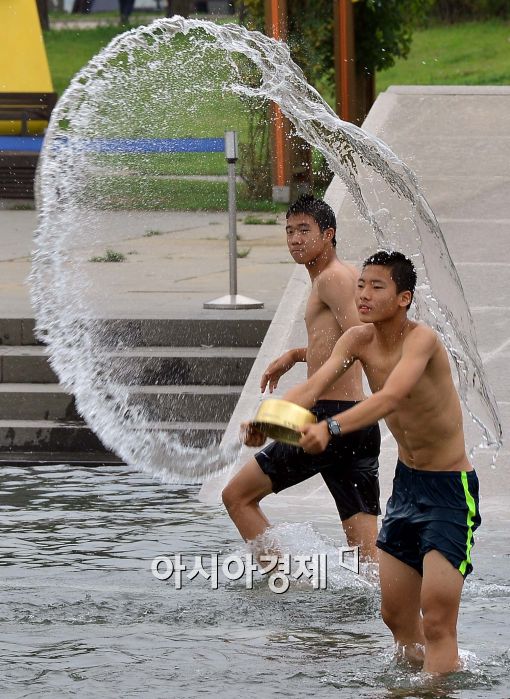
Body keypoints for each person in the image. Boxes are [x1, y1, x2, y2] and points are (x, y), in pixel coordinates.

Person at [270, 250, 480, 674]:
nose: (363, 294)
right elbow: (313, 387)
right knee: (396, 616)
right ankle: (422, 682)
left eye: (377, 287)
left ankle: (439, 683)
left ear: (404, 298)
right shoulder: (357, 340)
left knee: (437, 620)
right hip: (406, 487)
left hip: (449, 490)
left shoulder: (421, 340)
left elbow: (390, 398)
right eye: (361, 285)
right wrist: (269, 420)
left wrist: (330, 428)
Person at [222, 194, 381, 561]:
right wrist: (295, 355)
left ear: (328, 234)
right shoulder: (337, 276)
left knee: (237, 497)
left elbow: (362, 341)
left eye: (304, 230)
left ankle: (282, 583)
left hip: (329, 419)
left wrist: (285, 412)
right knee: (366, 554)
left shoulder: (333, 278)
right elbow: (343, 344)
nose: (295, 239)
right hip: (355, 423)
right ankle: (392, 595)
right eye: (290, 231)